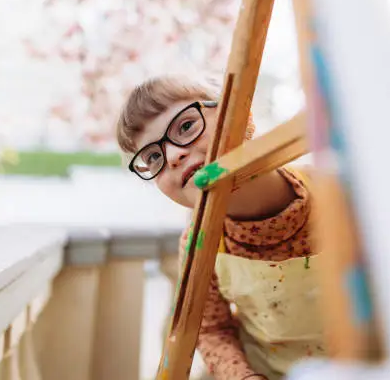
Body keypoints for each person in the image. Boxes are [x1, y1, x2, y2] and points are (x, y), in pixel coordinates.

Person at [116, 74, 325, 380]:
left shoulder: (335, 191)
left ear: (244, 116)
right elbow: (212, 329)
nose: (174, 156)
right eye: (153, 157)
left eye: (186, 126)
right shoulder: (199, 245)